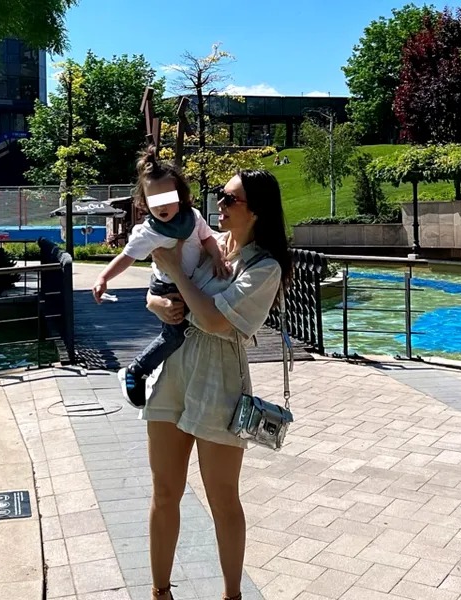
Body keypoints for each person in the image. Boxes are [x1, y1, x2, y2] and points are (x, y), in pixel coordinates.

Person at [142, 169, 291, 600]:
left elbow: (212, 320)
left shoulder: (264, 267)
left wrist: (177, 272)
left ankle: (232, 595)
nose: (219, 204)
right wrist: (155, 302)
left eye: (230, 199)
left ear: (256, 211)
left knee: (223, 499)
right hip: (173, 369)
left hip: (219, 380)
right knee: (164, 491)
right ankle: (160, 593)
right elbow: (157, 289)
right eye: (219, 196)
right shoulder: (206, 243)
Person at [92, 147, 229, 407]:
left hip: (189, 282)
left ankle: (171, 378)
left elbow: (207, 238)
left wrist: (218, 257)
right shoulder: (149, 232)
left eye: (167, 198)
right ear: (144, 202)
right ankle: (136, 370)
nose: (162, 206)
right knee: (175, 335)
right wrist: (103, 277)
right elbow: (127, 257)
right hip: (166, 286)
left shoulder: (192, 218)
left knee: (194, 328)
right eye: (154, 200)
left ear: (180, 196)